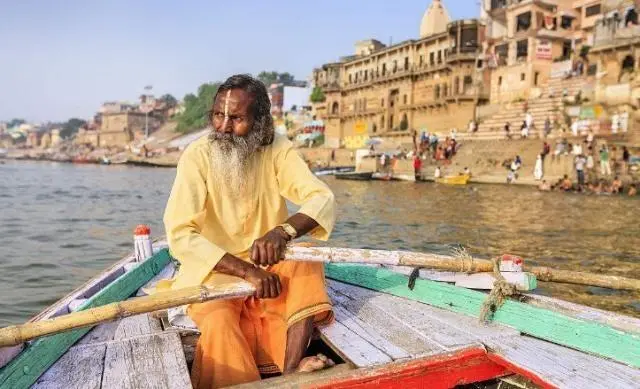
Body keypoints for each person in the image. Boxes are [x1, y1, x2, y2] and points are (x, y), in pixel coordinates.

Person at [163, 75, 336, 389]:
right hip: (214, 273)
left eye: (236, 118)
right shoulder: (198, 155)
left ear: (260, 122)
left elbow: (321, 198)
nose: (224, 127)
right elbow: (180, 235)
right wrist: (246, 271)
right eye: (219, 115)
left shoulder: (276, 148)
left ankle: (290, 371)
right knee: (218, 323)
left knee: (306, 262)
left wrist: (282, 232)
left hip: (268, 265)